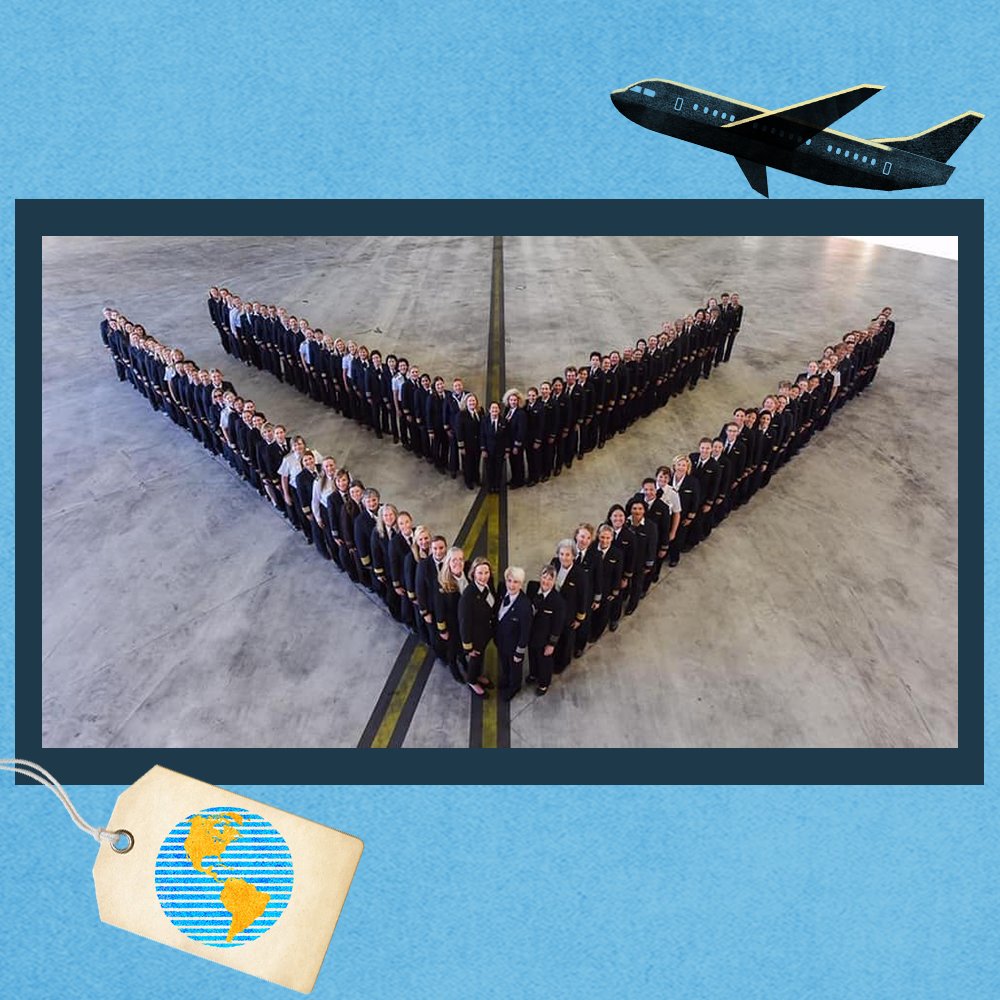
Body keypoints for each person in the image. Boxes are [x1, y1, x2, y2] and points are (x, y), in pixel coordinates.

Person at [550, 539, 591, 672]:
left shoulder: (581, 575)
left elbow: (583, 598)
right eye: (561, 554)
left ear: (573, 556)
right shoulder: (554, 563)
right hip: (554, 609)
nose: (564, 558)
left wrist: (579, 618)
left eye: (567, 555)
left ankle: (562, 664)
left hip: (569, 614)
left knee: (565, 640)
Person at [458, 556, 497, 697]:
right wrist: (468, 646)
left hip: (486, 631)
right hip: (474, 636)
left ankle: (478, 675)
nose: (484, 577)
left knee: (481, 657)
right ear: (473, 573)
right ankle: (472, 680)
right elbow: (464, 623)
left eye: (486, 573)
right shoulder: (468, 596)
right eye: (480, 573)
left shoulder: (489, 584)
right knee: (475, 658)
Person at [526, 565, 566, 696]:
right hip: (531, 635)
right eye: (544, 577)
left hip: (545, 639)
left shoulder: (558, 601)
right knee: (532, 657)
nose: (546, 581)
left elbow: (557, 625)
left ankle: (543, 683)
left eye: (550, 579)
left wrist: (552, 644)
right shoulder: (532, 588)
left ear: (554, 581)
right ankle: (533, 674)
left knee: (544, 662)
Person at [495, 566, 531, 701]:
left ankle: (514, 686)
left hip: (514, 645)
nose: (511, 585)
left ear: (521, 584)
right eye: (509, 580)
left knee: (515, 667)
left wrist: (519, 652)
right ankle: (505, 678)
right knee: (504, 663)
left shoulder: (524, 605)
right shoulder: (502, 589)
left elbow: (525, 631)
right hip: (501, 640)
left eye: (516, 582)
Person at [435, 547, 468, 683]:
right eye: (454, 560)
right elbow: (439, 609)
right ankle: (454, 669)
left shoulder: (467, 575)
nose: (458, 563)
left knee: (461, 646)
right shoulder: (443, 584)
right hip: (452, 624)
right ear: (448, 562)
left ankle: (463, 662)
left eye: (461, 559)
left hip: (464, 622)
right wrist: (442, 629)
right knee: (452, 649)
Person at [588, 523, 624, 644]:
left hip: (607, 588)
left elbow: (617, 574)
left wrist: (615, 591)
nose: (604, 540)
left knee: (603, 613)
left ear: (612, 538)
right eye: (602, 537)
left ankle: (596, 634)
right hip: (592, 586)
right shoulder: (591, 548)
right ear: (598, 536)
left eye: (608, 538)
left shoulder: (617, 554)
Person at [480, 399, 507, 493]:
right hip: (488, 450)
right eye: (493, 408)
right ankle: (490, 485)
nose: (494, 410)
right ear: (489, 410)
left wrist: (507, 451)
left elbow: (507, 436)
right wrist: (483, 449)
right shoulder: (484, 420)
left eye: (496, 408)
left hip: (500, 450)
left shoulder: (504, 421)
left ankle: (497, 486)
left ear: (499, 410)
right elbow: (482, 435)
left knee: (499, 469)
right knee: (489, 468)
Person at [457, 392, 482, 490]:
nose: (472, 402)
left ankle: (476, 478)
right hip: (467, 444)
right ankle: (468, 480)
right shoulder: (461, 414)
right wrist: (461, 446)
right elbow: (459, 431)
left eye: (473, 400)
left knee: (476, 461)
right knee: (468, 463)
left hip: (477, 443)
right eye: (470, 401)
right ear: (466, 403)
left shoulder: (480, 412)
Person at [504, 389, 527, 488]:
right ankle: (514, 478)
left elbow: (521, 431)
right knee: (512, 462)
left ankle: (519, 481)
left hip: (517, 443)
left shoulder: (521, 413)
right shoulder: (508, 411)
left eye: (515, 400)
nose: (513, 402)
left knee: (518, 462)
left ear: (518, 401)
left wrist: (517, 445)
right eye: (511, 400)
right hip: (509, 441)